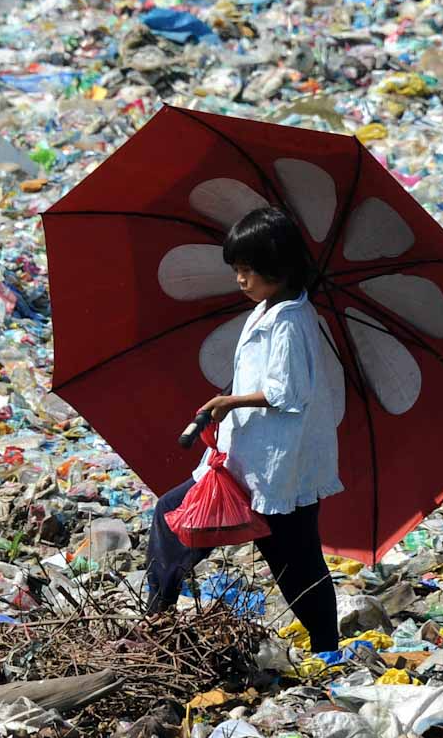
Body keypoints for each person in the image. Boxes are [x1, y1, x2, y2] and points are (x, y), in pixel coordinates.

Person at [145, 206, 342, 654]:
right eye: (237, 269)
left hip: (276, 468)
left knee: (296, 563)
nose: (240, 279)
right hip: (248, 459)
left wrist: (229, 401)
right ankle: (156, 622)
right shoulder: (269, 309)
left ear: (278, 267)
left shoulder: (291, 320)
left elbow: (286, 391)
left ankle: (327, 648)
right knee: (176, 520)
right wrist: (228, 400)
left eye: (248, 270)